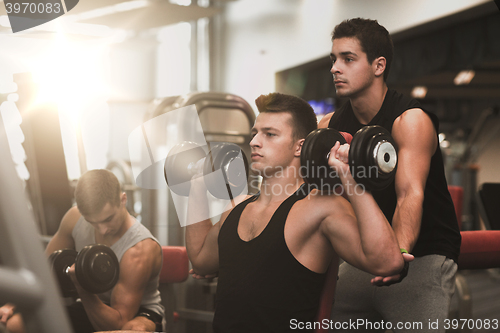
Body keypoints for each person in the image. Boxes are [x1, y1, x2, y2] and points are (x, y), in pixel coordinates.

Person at [186, 92, 407, 333]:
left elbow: (388, 263)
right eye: (254, 133)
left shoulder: (320, 207)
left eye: (269, 134)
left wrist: (350, 180)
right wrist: (196, 185)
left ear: (300, 146)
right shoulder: (236, 208)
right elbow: (200, 260)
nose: (254, 142)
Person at [319, 18, 462, 332]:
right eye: (333, 60)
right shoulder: (329, 126)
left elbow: (409, 193)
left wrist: (397, 254)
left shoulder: (410, 120)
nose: (335, 68)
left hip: (421, 255)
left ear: (378, 65)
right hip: (364, 257)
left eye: (348, 59)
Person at [0, 169, 164, 333]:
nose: (102, 230)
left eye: (108, 219)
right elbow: (45, 268)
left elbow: (117, 323)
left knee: (127, 331)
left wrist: (82, 289)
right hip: (87, 305)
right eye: (92, 222)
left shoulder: (139, 249)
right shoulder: (74, 218)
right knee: (12, 325)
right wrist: (16, 302)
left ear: (123, 200)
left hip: (134, 315)